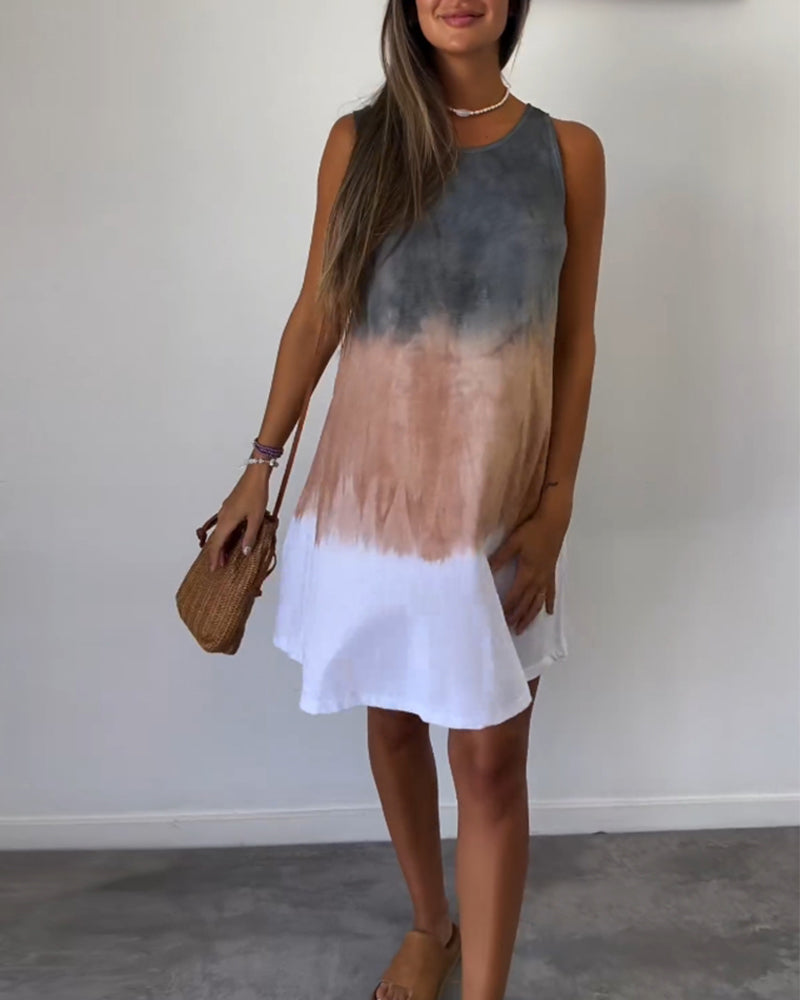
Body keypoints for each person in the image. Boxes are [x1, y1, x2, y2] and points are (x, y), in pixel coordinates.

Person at [205, 1, 604, 997]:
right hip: (370, 509)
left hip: (497, 515)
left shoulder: (569, 152)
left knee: (491, 764)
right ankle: (431, 925)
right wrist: (259, 464)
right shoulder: (360, 143)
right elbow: (318, 312)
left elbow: (573, 339)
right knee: (391, 725)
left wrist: (557, 504)